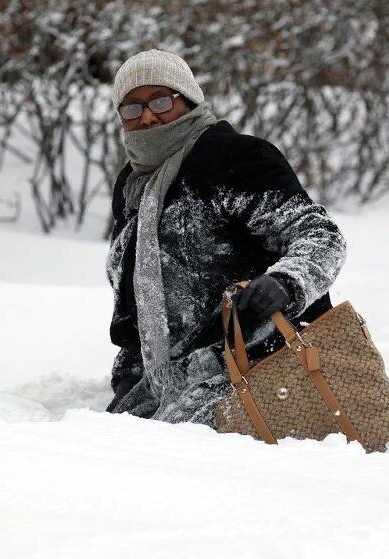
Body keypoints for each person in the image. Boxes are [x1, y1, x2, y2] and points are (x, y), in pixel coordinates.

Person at [104, 49, 347, 427]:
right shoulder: (132, 186)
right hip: (166, 383)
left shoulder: (232, 158)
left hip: (259, 362)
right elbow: (134, 297)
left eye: (161, 100)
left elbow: (318, 235)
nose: (148, 115)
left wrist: (286, 282)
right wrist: (130, 371)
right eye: (132, 108)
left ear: (188, 99)